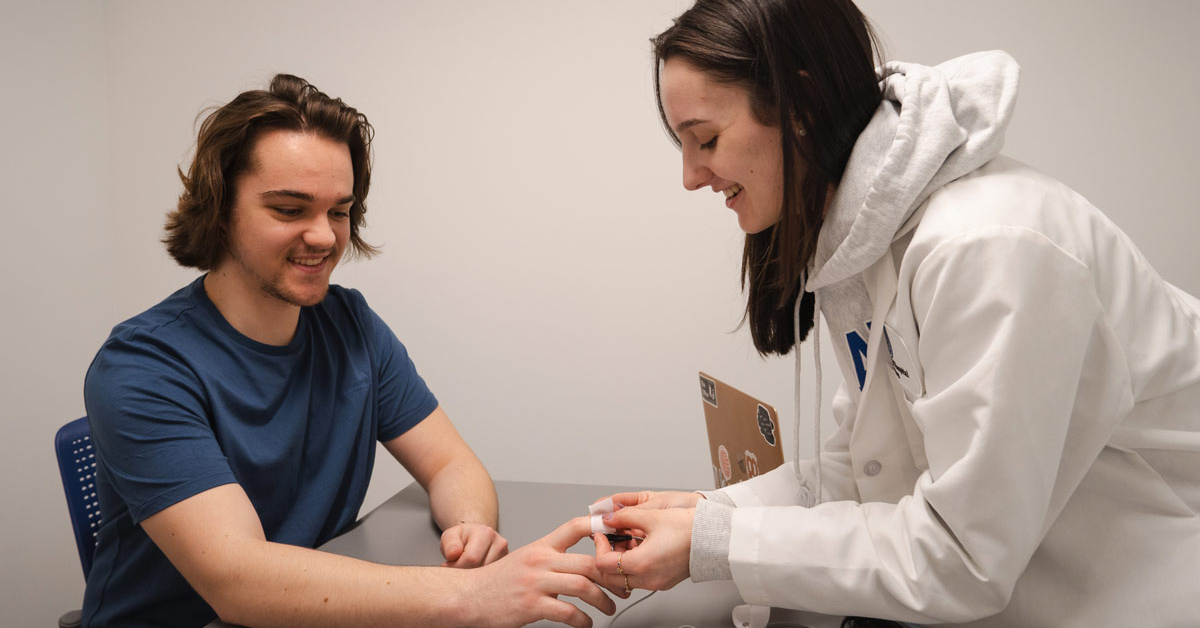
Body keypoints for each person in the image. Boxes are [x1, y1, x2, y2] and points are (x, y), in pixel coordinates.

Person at [590, 1, 1200, 627]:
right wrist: (704, 515)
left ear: (798, 108)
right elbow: (870, 467)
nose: (692, 176)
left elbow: (962, 558)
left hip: (1145, 594)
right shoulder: (866, 246)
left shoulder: (988, 249)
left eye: (706, 139)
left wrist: (713, 547)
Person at [82, 74, 614, 628]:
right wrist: (471, 595)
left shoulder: (350, 325)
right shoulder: (142, 368)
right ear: (219, 210)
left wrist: (471, 530)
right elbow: (239, 581)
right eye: (290, 210)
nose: (324, 237)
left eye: (338, 211)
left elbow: (451, 462)